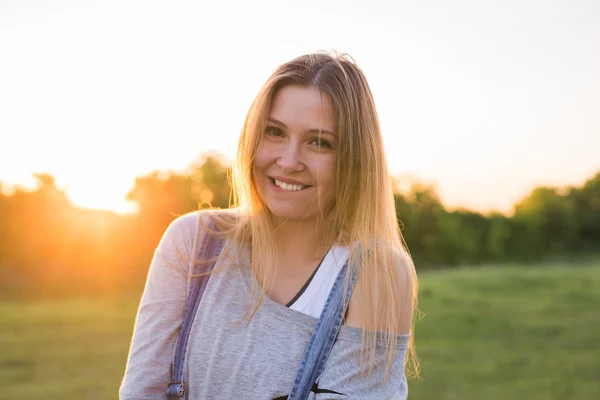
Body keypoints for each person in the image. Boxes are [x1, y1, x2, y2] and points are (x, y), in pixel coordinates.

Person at [119, 52, 419, 399]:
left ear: (354, 159)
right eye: (274, 132)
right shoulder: (194, 242)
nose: (289, 161)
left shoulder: (374, 273)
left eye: (319, 142)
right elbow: (142, 392)